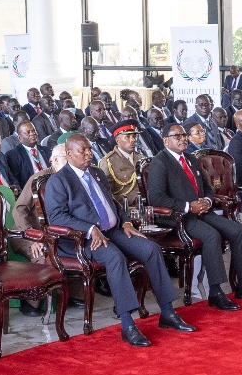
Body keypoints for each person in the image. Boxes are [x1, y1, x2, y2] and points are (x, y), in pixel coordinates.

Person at [42, 134, 195, 348]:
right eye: (83, 151)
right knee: (115, 257)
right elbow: (57, 217)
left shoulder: (96, 173)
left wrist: (126, 222)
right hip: (82, 240)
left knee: (151, 249)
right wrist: (90, 229)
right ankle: (128, 325)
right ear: (68, 154)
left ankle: (168, 313)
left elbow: (112, 203)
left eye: (89, 149)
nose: (89, 154)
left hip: (113, 230)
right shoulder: (58, 181)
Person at [142, 122, 242, 309]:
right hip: (179, 217)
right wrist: (188, 206)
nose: (183, 139)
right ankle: (216, 292)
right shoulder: (159, 162)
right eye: (177, 136)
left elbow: (208, 188)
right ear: (165, 140)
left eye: (184, 135)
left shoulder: (190, 158)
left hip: (202, 211)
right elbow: (157, 198)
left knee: (237, 229)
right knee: (211, 235)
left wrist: (208, 201)